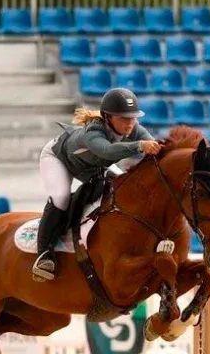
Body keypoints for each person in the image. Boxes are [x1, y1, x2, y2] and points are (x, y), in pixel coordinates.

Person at [31, 87, 161, 281]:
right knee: (61, 197)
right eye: (124, 118)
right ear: (108, 117)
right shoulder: (93, 131)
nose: (130, 123)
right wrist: (139, 146)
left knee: (120, 185)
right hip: (59, 159)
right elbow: (107, 151)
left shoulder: (134, 128)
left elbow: (154, 147)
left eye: (133, 118)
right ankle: (44, 253)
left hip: (90, 167)